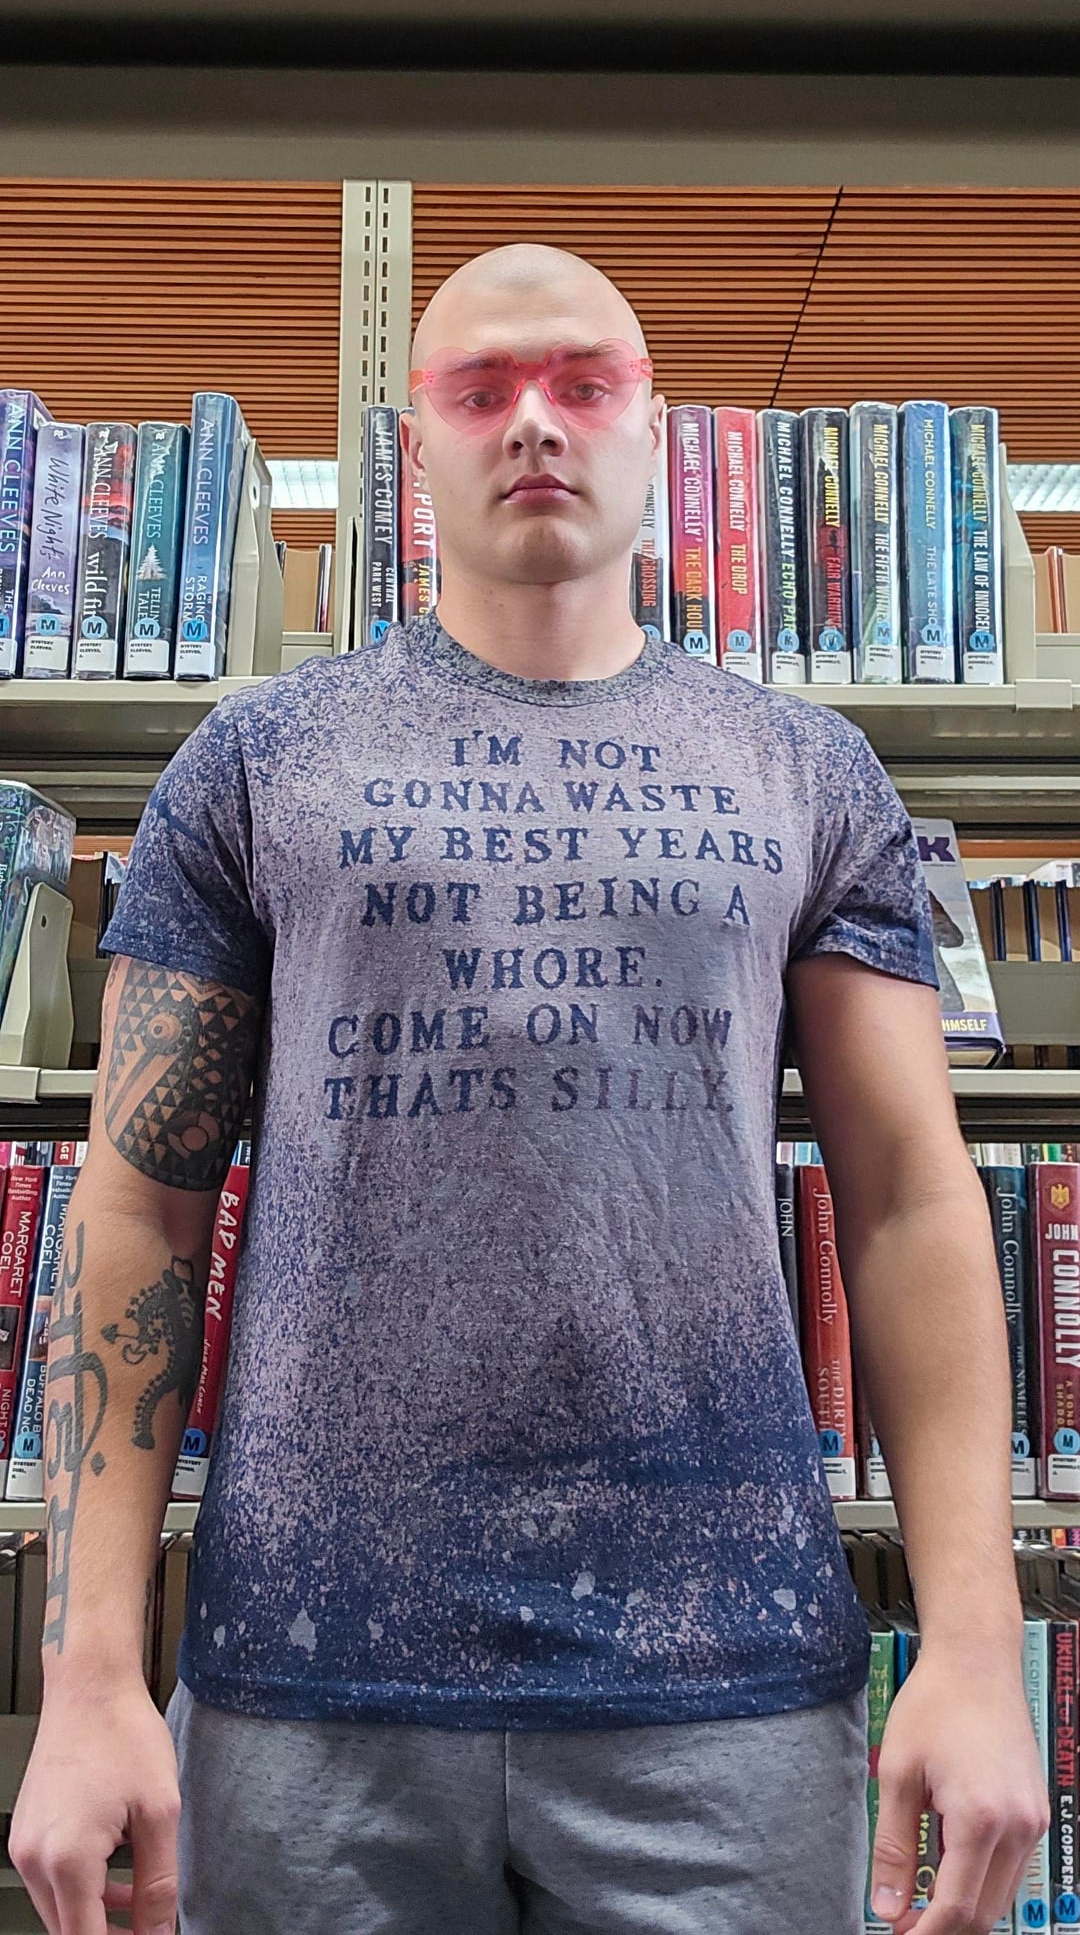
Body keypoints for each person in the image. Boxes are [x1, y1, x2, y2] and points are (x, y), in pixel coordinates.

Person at [12, 243, 1046, 1935]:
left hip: (722, 1696)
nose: (535, 421)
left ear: (656, 429)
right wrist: (87, 1670)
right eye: (480, 389)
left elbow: (914, 1203)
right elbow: (138, 1216)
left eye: (583, 381)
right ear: (413, 444)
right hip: (308, 1695)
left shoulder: (807, 771)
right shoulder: (253, 766)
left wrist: (981, 1646)